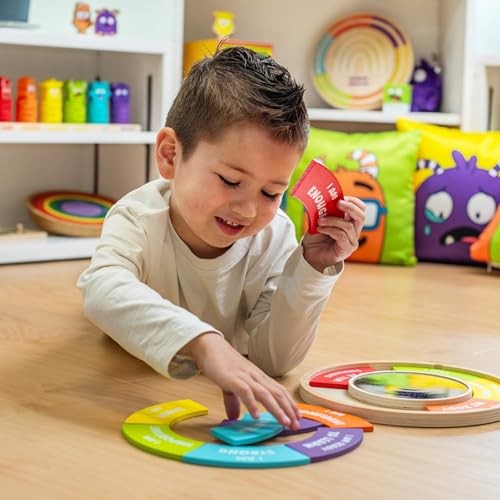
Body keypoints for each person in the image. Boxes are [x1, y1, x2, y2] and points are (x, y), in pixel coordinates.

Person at [77, 47, 365, 430]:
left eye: (271, 193)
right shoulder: (137, 217)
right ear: (170, 155)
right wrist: (203, 342)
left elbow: (274, 360)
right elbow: (100, 291)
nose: (247, 210)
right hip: (128, 374)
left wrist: (312, 268)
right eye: (231, 181)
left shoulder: (275, 235)